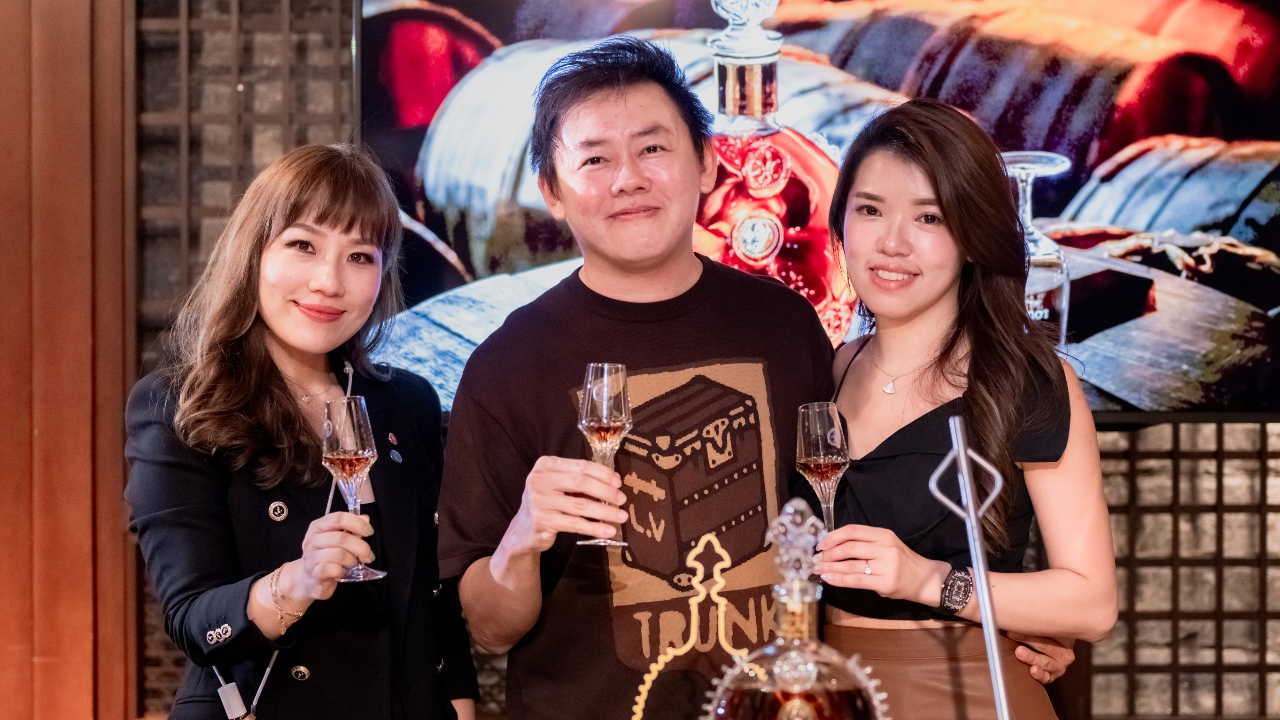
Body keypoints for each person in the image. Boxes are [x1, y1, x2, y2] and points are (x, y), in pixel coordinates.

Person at [436, 38, 1069, 720]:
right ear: (552, 192)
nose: (628, 179)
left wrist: (996, 616)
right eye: (594, 159)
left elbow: (856, 512)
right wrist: (523, 539)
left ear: (708, 163)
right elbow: (488, 631)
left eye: (653, 148)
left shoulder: (783, 323)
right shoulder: (507, 365)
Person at [125, 144, 478, 720]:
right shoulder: (178, 405)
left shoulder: (407, 403)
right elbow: (192, 621)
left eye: (359, 256)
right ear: (253, 253)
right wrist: (298, 580)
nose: (328, 282)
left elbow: (434, 606)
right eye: (303, 245)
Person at [809, 98, 1119, 718]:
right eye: (870, 210)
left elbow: (1092, 602)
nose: (892, 243)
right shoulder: (835, 368)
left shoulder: (1025, 379)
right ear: (841, 221)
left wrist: (928, 580)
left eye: (929, 217)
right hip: (830, 692)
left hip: (968, 692)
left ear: (973, 238)